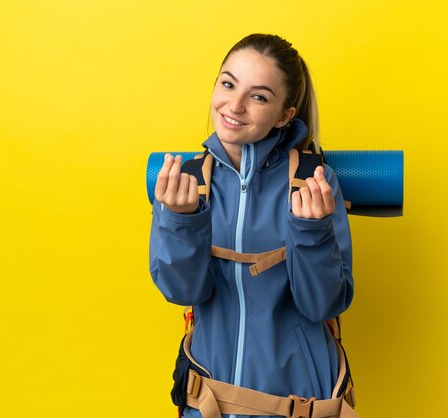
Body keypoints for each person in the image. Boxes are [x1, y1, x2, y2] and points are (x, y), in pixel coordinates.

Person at [149, 34, 355, 418]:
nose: (235, 105)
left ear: (283, 115)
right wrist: (180, 220)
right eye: (228, 84)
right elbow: (181, 291)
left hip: (301, 402)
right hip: (209, 402)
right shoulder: (188, 181)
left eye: (258, 96)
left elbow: (322, 305)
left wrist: (312, 232)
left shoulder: (314, 180)